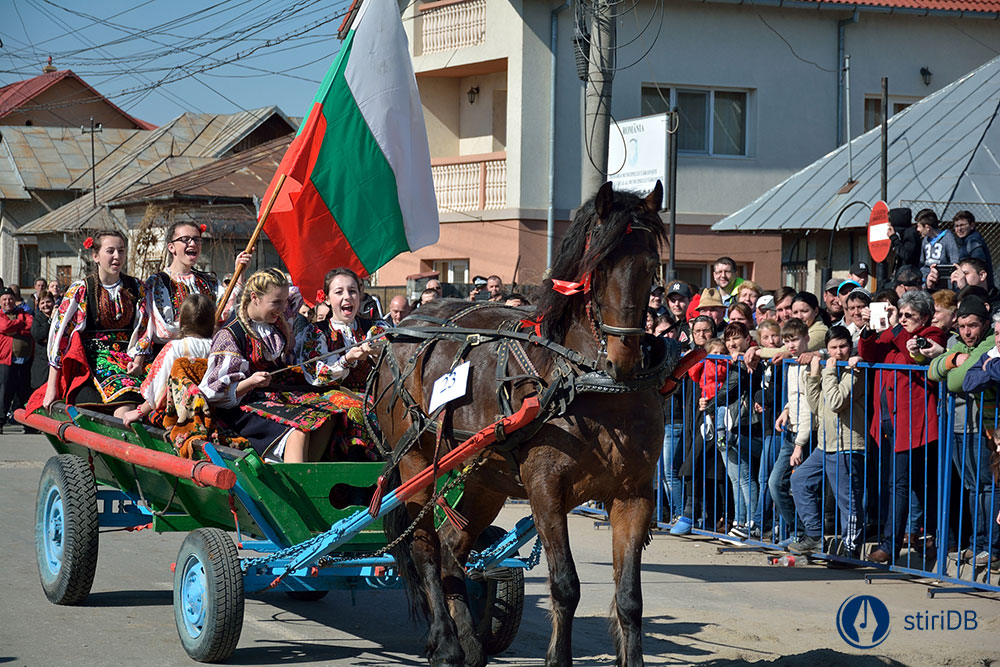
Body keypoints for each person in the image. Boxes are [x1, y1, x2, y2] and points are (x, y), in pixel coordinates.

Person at [201, 269, 338, 463]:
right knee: (298, 429)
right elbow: (214, 393)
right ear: (254, 298)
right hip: (241, 407)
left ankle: (309, 473)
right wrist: (250, 382)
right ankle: (297, 487)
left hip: (274, 394)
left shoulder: (275, 323)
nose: (282, 308)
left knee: (329, 413)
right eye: (276, 302)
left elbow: (295, 295)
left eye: (284, 301)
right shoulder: (231, 335)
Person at [859, 290, 948, 563]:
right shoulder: (893, 332)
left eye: (911, 315)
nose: (905, 319)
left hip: (913, 423)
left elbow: (914, 356)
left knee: (901, 484)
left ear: (924, 317)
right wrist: (867, 329)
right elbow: (868, 353)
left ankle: (890, 545)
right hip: (886, 421)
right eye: (903, 313)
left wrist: (896, 325)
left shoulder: (933, 334)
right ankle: (922, 538)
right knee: (898, 484)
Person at [40, 231, 148, 419]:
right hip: (93, 361)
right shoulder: (81, 290)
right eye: (110, 251)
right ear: (95, 256)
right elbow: (60, 336)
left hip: (130, 359)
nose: (117, 256)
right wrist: (52, 387)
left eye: (121, 251)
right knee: (114, 402)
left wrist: (138, 360)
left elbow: (145, 328)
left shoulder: (136, 287)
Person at [788, 326, 866, 558]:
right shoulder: (830, 365)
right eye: (833, 348)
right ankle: (814, 534)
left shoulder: (855, 370)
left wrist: (829, 372)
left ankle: (850, 549)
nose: (838, 352)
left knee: (847, 500)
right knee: (800, 480)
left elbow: (835, 401)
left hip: (847, 444)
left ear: (850, 346)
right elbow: (816, 405)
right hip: (826, 443)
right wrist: (813, 375)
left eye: (842, 346)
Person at [930, 296, 997, 566]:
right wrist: (953, 359)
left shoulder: (992, 343)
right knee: (972, 488)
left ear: (985, 324)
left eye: (973, 326)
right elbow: (933, 372)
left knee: (986, 487)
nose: (967, 332)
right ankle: (976, 543)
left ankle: (990, 547)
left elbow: (958, 383)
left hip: (982, 427)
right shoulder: (955, 342)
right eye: (963, 326)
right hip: (957, 425)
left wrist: (952, 364)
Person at [135, 221, 250, 360]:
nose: (193, 243)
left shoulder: (208, 282)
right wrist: (203, 328)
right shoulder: (158, 283)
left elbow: (225, 311)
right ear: (171, 247)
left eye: (197, 239)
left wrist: (239, 272)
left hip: (206, 355)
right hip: (172, 355)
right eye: (185, 240)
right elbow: (163, 329)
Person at [122, 294, 215, 426]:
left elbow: (159, 387)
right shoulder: (217, 348)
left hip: (177, 413)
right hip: (210, 411)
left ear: (182, 320)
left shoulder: (175, 347)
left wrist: (139, 411)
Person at [956, 307, 1000, 566]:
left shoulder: (990, 358)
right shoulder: (991, 355)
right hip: (992, 436)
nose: (998, 339)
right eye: (996, 334)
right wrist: (992, 367)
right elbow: (969, 382)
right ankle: (989, 548)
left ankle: (993, 549)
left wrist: (989, 368)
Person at [768, 318, 814, 546]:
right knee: (776, 484)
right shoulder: (792, 363)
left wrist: (800, 444)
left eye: (795, 339)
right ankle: (800, 531)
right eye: (787, 341)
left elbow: (808, 407)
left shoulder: (812, 361)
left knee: (799, 486)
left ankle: (807, 534)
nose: (791, 345)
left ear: (806, 337)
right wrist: (785, 410)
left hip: (805, 435)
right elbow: (795, 397)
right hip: (792, 431)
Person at [718, 322, 763, 540]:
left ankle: (752, 522)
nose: (732, 343)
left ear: (747, 338)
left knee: (745, 476)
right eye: (728, 339)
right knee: (735, 476)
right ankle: (739, 520)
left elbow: (733, 389)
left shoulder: (749, 360)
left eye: (736, 338)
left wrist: (708, 403)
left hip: (744, 422)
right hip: (727, 421)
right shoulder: (729, 360)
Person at [0, 288, 33, 432]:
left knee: (24, 393)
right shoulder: (1, 315)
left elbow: (30, 326)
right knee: (5, 393)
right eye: (4, 299)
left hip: (24, 360)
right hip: (6, 360)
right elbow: (4, 326)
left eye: (10, 299)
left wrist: (15, 328)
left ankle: (28, 424)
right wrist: (20, 324)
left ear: (15, 300)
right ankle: (0, 421)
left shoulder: (24, 314)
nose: (8, 302)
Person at [915, 208, 961, 285]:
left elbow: (955, 262)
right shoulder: (925, 240)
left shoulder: (948, 238)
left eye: (919, 226)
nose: (917, 229)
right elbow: (923, 264)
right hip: (928, 280)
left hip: (944, 280)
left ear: (927, 227)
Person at [952, 210, 994, 289]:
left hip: (977, 289)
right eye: (956, 226)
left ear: (972, 225)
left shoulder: (973, 241)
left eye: (962, 225)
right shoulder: (964, 241)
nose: (959, 229)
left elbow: (978, 265)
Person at [888, 207, 921, 274]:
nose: (888, 224)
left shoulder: (910, 233)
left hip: (910, 274)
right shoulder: (902, 234)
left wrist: (894, 238)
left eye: (890, 221)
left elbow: (907, 255)